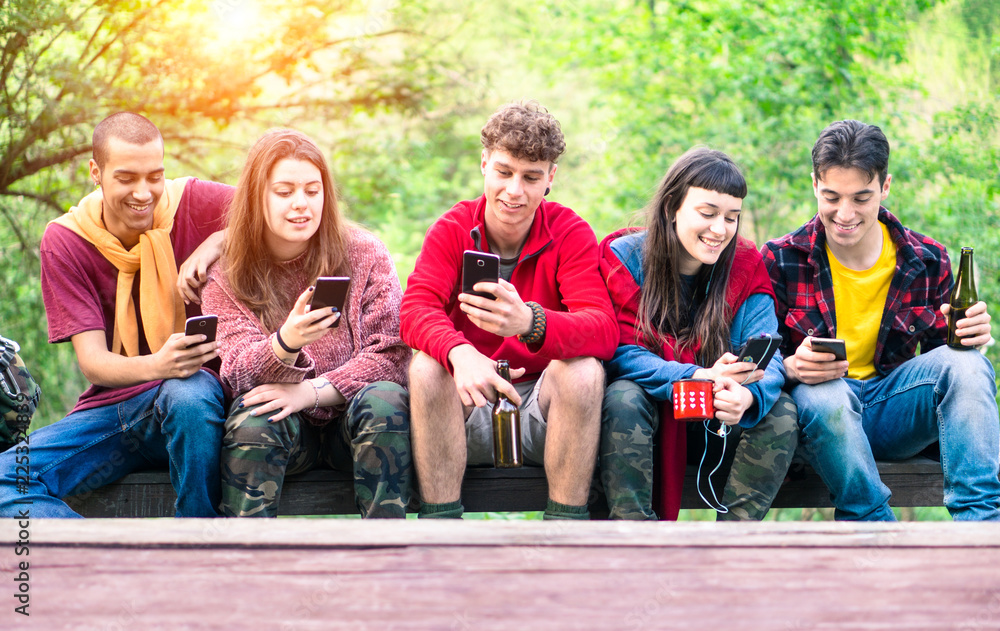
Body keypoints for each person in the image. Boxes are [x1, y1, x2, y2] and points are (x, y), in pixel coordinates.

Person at [763, 119, 1000, 521]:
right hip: (821, 419)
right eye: (832, 196)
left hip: (894, 413)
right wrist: (788, 367)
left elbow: (948, 367)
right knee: (825, 395)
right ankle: (873, 528)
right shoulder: (780, 259)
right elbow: (752, 359)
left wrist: (973, 338)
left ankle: (982, 528)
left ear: (885, 187)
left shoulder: (927, 259)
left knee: (969, 365)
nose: (845, 213)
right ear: (815, 185)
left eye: (861, 197)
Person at [0, 112, 231, 518]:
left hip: (192, 412)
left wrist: (216, 241)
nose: (144, 193)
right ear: (96, 171)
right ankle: (109, 554)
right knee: (6, 478)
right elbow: (95, 364)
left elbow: (278, 211)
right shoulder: (67, 239)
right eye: (126, 178)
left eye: (154, 176)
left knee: (188, 391)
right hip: (115, 410)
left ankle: (200, 541)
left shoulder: (195, 202)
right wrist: (159, 364)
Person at [400, 100, 618, 520]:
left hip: (543, 408)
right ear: (484, 164)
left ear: (550, 178)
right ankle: (442, 528)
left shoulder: (569, 231)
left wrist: (530, 322)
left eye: (531, 177)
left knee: (585, 370)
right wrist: (460, 353)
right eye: (503, 172)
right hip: (467, 406)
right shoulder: (453, 228)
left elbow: (603, 328)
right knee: (427, 367)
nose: (514, 190)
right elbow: (415, 308)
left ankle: (563, 530)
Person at [201, 129, 412, 518]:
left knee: (386, 399)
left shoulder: (364, 251)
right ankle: (245, 560)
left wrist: (313, 391)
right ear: (257, 197)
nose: (301, 204)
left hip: (353, 425)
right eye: (284, 192)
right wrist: (286, 343)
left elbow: (392, 354)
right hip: (284, 430)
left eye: (312, 191)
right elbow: (235, 374)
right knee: (253, 415)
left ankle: (388, 554)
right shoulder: (227, 274)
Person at [599, 147, 798, 521]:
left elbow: (770, 354)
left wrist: (747, 396)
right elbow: (621, 351)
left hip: (717, 423)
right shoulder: (624, 258)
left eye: (731, 217)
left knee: (781, 410)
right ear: (672, 206)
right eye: (707, 214)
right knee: (622, 396)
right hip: (651, 420)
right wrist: (698, 375)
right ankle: (632, 537)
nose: (719, 229)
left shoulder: (745, 264)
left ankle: (731, 546)